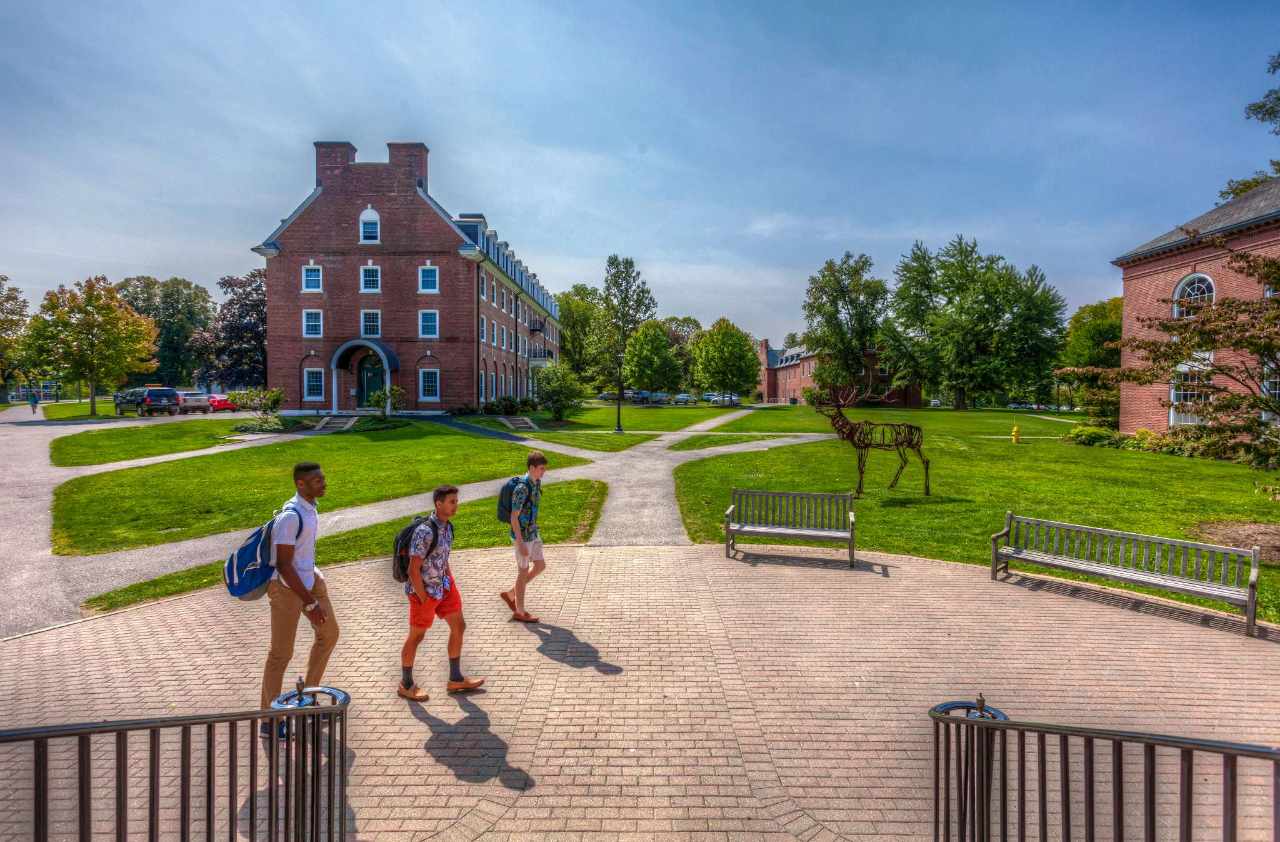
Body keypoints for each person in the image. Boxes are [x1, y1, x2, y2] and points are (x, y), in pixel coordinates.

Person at [260, 462, 340, 738]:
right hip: (285, 589)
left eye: (323, 478)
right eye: (317, 481)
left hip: (309, 580)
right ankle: (270, 720)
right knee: (280, 654)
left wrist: (314, 579)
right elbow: (283, 565)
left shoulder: (311, 508)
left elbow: (301, 554)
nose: (324, 484)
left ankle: (307, 698)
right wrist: (309, 602)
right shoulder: (290, 517)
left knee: (329, 634)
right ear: (301, 484)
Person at [399, 484, 485, 700]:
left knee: (459, 626)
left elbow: (443, 558)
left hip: (444, 588)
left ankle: (455, 679)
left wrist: (450, 581)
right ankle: (406, 684)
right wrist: (424, 598)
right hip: (424, 593)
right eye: (452, 502)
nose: (456, 505)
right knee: (417, 637)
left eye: (456, 501)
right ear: (439, 504)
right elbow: (413, 569)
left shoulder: (448, 527)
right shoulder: (425, 531)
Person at [501, 451, 547, 623]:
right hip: (523, 537)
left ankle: (511, 593)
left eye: (544, 469)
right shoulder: (522, 488)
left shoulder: (536, 482)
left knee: (540, 565)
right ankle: (519, 611)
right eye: (541, 468)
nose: (543, 472)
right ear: (532, 467)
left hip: (533, 532)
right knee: (522, 572)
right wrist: (520, 543)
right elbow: (514, 516)